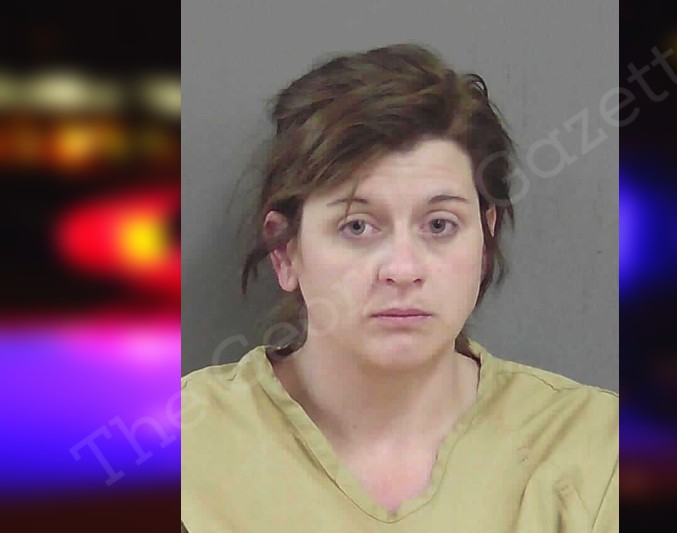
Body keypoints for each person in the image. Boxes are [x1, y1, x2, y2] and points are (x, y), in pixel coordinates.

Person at [181, 43, 618, 532]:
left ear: (485, 238)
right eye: (357, 226)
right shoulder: (181, 451)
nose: (404, 269)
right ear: (285, 251)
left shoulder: (598, 451)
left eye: (440, 225)